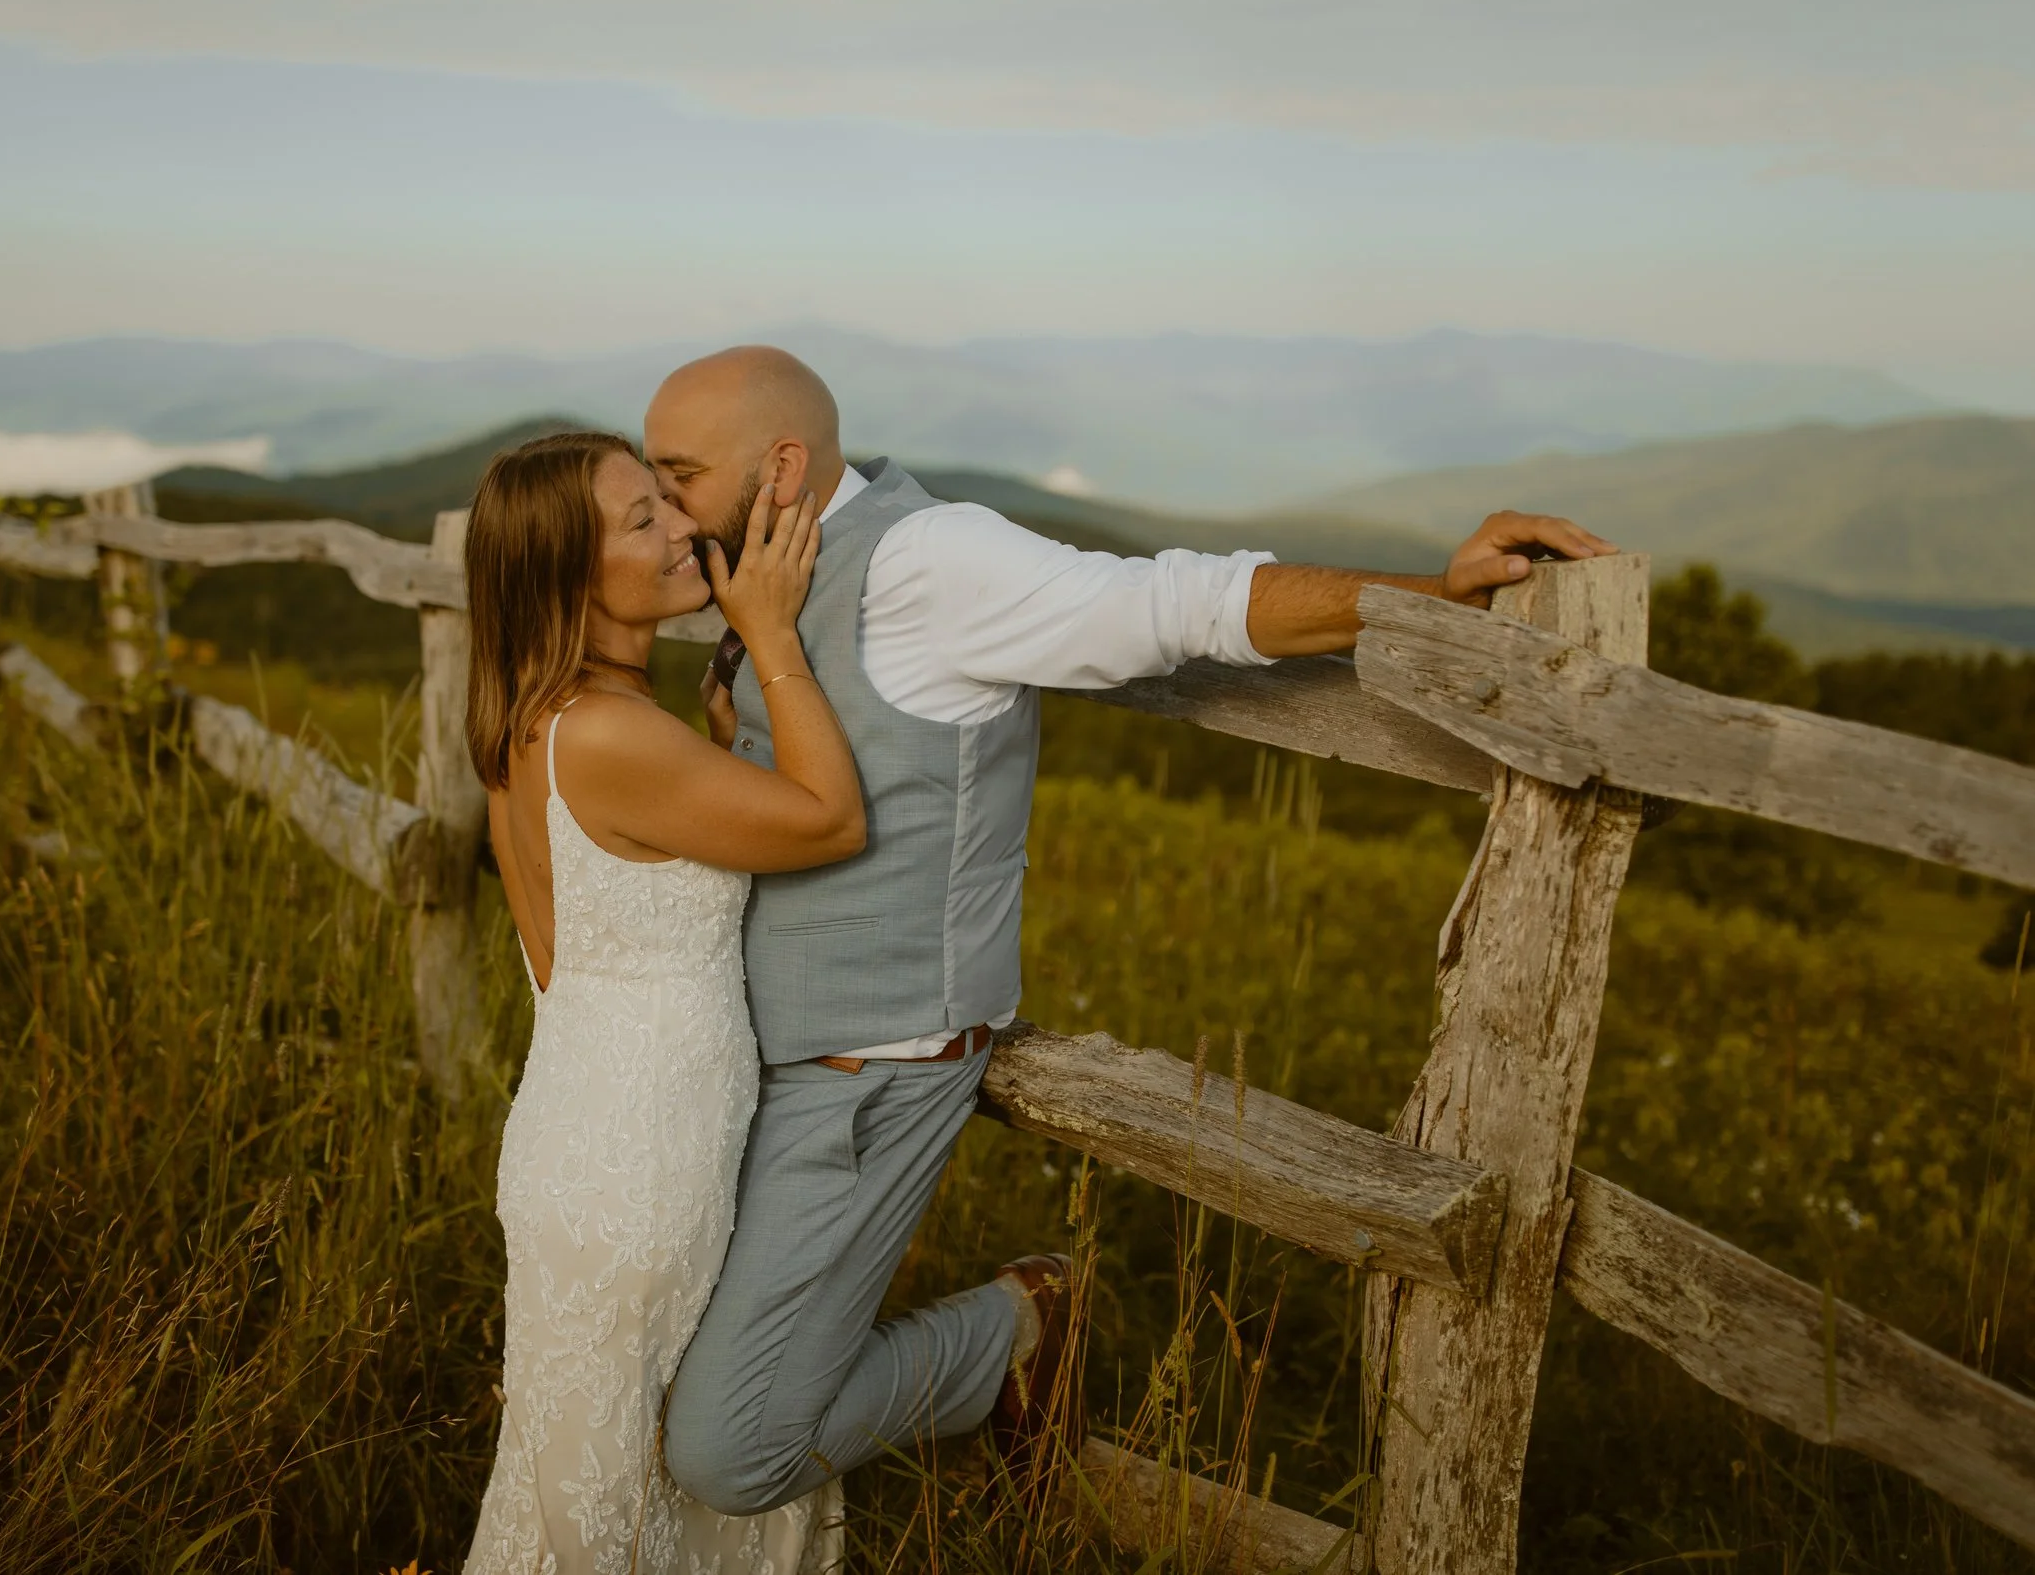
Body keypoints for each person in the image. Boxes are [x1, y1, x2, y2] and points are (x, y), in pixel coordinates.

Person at [644, 345, 1616, 1516]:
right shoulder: (759, 573)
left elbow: (1176, 601)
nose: (665, 510)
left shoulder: (929, 560)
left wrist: (1431, 592)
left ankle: (1013, 1328)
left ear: (780, 466)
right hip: (757, 1053)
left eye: (679, 477)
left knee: (729, 1450)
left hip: (872, 1064)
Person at [460, 430, 858, 1575]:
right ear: (565, 574)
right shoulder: (607, 731)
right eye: (643, 520)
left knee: (592, 1487)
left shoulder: (536, 721)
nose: (686, 528)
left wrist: (717, 754)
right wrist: (773, 640)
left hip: (582, 1147)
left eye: (668, 501)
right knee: (644, 1498)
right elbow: (831, 820)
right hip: (640, 1165)